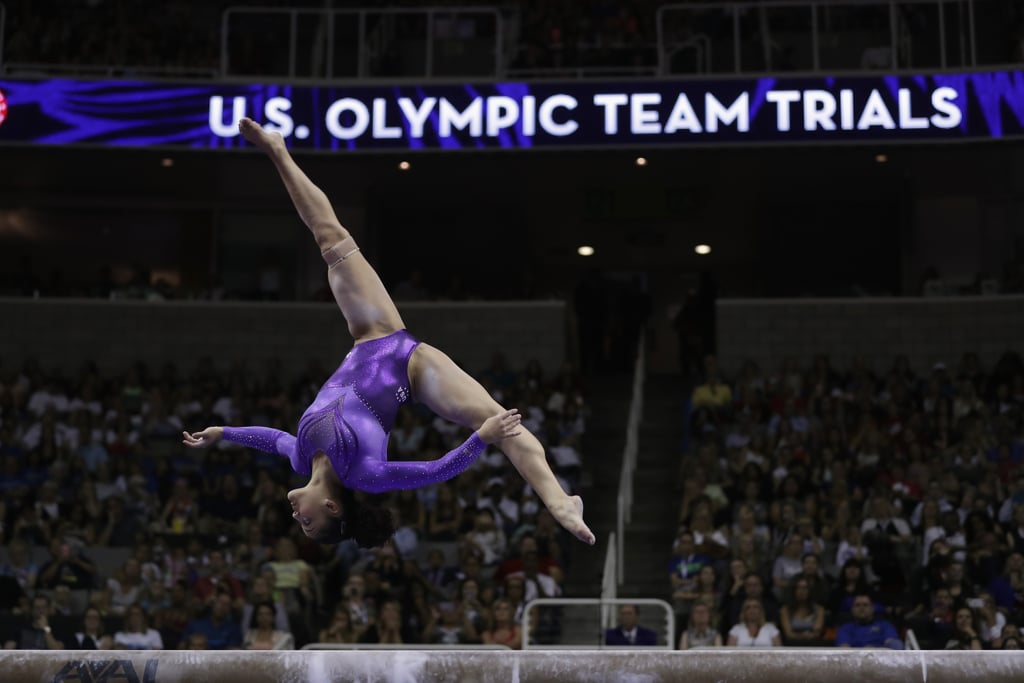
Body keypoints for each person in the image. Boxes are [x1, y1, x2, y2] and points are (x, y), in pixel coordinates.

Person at [183, 117, 594, 550]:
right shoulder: (365, 475)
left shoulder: (302, 455)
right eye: (306, 524)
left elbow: (273, 439)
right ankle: (559, 501)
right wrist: (480, 441)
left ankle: (276, 149)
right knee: (496, 420)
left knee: (331, 238)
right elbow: (434, 470)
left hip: (370, 335)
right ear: (331, 508)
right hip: (411, 367)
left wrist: (222, 433)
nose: (295, 517)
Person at [834, 594, 904, 649]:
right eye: (857, 605)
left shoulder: (885, 625)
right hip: (855, 663)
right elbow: (844, 650)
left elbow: (894, 645)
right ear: (852, 609)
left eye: (865, 605)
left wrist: (874, 651)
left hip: (882, 661)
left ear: (872, 608)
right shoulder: (845, 629)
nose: (861, 608)